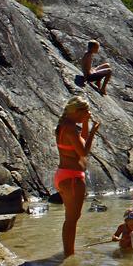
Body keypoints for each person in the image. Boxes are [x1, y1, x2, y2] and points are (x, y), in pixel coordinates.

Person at [55, 96, 100, 257]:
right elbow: (83, 153)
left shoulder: (64, 125)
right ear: (77, 111)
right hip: (72, 178)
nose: (88, 113)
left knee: (71, 218)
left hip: (63, 175)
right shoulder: (71, 128)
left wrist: (87, 123)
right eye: (86, 111)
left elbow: (81, 141)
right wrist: (94, 132)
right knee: (72, 219)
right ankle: (69, 255)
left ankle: (69, 252)